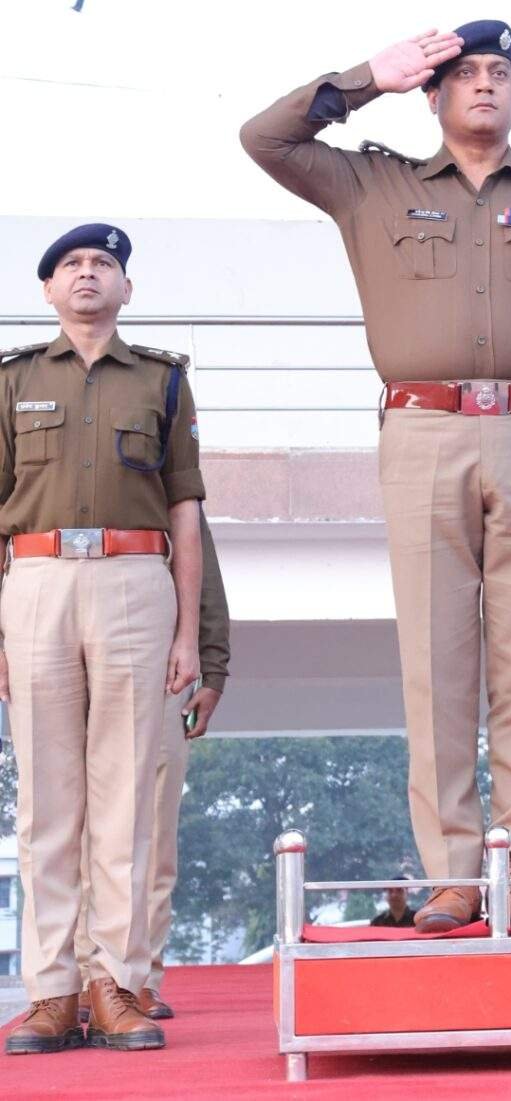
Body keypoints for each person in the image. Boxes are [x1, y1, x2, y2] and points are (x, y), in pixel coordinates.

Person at [241, 21, 511, 932]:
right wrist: (366, 78)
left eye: (501, 73)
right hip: (424, 432)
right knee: (435, 658)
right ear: (434, 95)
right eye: (467, 74)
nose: (486, 85)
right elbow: (266, 139)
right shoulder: (374, 185)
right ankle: (454, 873)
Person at [1, 224, 205, 1055]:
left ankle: (115, 982)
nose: (88, 273)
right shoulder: (13, 380)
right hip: (36, 581)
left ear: (126, 288)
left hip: (134, 581)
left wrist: (188, 630)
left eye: (104, 264)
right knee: (47, 800)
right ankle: (51, 991)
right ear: (49, 289)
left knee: (125, 798)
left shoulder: (162, 380)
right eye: (72, 265)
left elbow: (186, 509)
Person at [75, 511, 230, 1022]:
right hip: (72, 651)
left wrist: (213, 669)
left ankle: (137, 978)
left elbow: (202, 571)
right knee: (76, 828)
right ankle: (85, 976)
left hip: (162, 671)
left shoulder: (167, 475)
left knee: (153, 833)